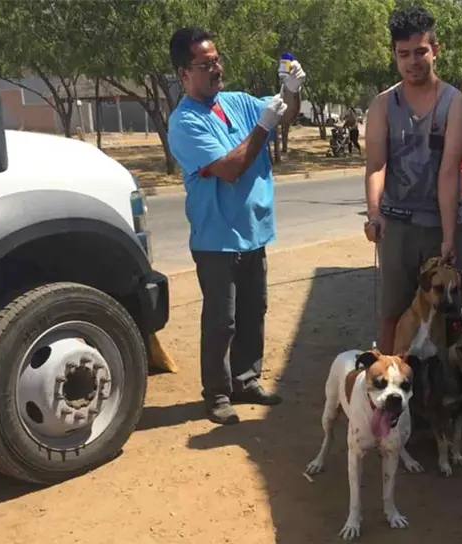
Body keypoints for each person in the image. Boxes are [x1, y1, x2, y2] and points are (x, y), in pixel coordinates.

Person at [167, 27, 305, 424]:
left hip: (253, 232)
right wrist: (263, 125)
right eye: (206, 64)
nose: (217, 69)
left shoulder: (238, 101)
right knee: (220, 321)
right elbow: (230, 168)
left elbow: (286, 112)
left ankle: (246, 380)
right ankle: (217, 394)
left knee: (252, 311)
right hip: (217, 238)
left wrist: (291, 89)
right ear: (184, 73)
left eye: (217, 60)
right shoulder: (184, 123)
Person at [362, 6, 462, 428]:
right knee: (393, 312)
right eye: (403, 53)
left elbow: (448, 173)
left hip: (441, 224)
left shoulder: (454, 104)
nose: (412, 61)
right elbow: (376, 165)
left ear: (435, 50)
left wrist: (448, 236)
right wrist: (375, 214)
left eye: (420, 51)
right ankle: (385, 399)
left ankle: (457, 398)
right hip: (397, 225)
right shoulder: (382, 105)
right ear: (395, 55)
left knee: (451, 315)